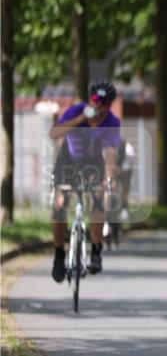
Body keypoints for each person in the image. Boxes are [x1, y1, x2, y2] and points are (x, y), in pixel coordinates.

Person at [49, 81, 121, 281]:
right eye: (96, 101)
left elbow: (111, 153)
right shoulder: (77, 110)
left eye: (105, 103)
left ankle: (96, 251)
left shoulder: (112, 122)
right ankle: (58, 255)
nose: (100, 106)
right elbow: (54, 133)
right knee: (59, 205)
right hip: (68, 161)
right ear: (90, 99)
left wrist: (110, 177)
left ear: (110, 104)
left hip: (94, 163)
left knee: (99, 199)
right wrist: (81, 118)